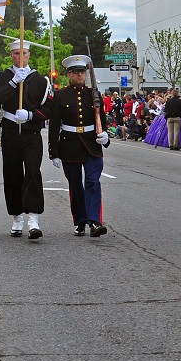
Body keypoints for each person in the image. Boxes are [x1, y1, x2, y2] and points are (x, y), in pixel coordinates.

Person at [0, 39, 51, 239]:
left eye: (24, 53)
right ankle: (17, 216)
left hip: (31, 132)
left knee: (33, 172)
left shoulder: (40, 80)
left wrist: (32, 115)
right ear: (11, 56)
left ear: (29, 55)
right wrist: (14, 82)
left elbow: (49, 108)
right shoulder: (3, 77)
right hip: (10, 131)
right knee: (13, 173)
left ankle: (33, 218)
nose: (21, 57)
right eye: (17, 54)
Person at [48, 55, 110, 237]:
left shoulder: (94, 94)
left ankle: (95, 222)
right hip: (69, 144)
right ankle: (80, 221)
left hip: (91, 144)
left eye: (82, 72)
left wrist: (105, 137)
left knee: (92, 182)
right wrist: (54, 152)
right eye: (76, 72)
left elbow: (102, 120)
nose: (80, 75)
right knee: (75, 185)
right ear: (69, 74)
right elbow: (54, 125)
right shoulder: (60, 95)